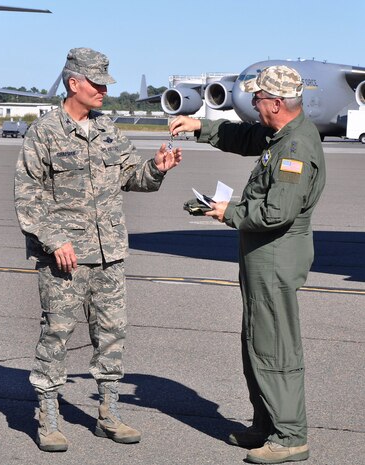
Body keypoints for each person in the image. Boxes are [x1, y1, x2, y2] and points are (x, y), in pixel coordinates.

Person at [14, 47, 182, 452]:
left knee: (111, 335)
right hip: (65, 259)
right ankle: (48, 416)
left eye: (106, 83)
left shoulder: (108, 129)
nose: (104, 90)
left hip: (109, 255)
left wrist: (157, 168)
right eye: (97, 83)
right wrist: (56, 241)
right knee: (56, 333)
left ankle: (108, 411)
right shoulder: (46, 132)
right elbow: (28, 195)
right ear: (74, 83)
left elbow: (131, 177)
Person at [170, 65, 325, 464]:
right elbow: (241, 136)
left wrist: (228, 211)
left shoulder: (295, 148)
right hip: (263, 253)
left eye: (258, 98)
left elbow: (277, 212)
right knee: (257, 339)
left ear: (277, 103)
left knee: (275, 344)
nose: (253, 103)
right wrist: (198, 125)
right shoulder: (280, 134)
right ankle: (267, 425)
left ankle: (290, 437)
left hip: (276, 253)